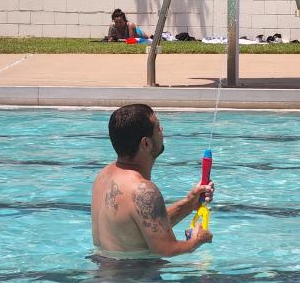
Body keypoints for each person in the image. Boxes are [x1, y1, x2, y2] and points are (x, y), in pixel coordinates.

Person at [91, 104, 215, 258]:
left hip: (103, 271)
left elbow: (141, 226)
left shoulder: (104, 175)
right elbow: (166, 249)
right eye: (157, 127)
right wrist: (198, 240)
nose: (162, 131)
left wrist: (189, 204)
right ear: (146, 143)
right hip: (135, 277)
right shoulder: (143, 190)